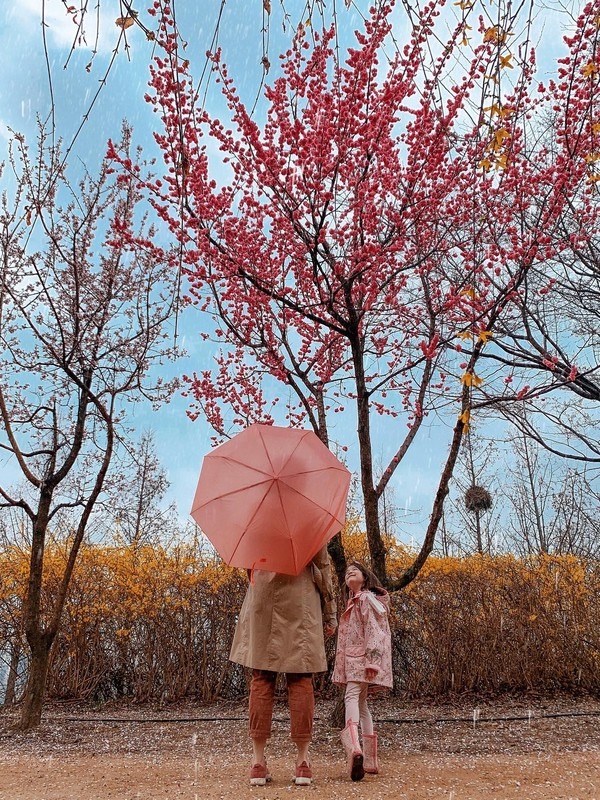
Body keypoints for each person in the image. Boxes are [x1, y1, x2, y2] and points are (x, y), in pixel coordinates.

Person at [229, 544, 337, 787]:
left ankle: (257, 762)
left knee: (262, 677)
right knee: (300, 678)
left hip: (263, 598)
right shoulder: (309, 519)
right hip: (301, 600)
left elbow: (248, 564)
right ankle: (303, 762)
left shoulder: (257, 518)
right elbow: (323, 567)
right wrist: (330, 612)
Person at [332, 560, 392, 781]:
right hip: (358, 659)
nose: (349, 573)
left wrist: (373, 660)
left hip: (361, 659)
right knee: (362, 704)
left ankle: (354, 749)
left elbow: (375, 631)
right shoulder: (355, 600)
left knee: (351, 696)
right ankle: (370, 760)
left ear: (365, 578)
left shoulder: (365, 599)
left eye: (354, 571)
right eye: (347, 572)